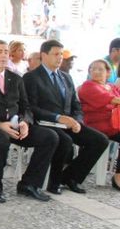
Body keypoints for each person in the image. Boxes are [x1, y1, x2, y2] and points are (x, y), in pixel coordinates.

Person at [0, 40, 58, 203]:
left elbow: (25, 107)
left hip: (14, 125)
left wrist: (24, 122)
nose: (4, 55)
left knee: (50, 137)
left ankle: (29, 184)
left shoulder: (15, 78)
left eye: (6, 52)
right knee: (1, 139)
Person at [23, 40, 108, 195]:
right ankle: (53, 183)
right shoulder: (31, 77)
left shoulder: (66, 77)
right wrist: (57, 117)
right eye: (56, 54)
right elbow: (31, 107)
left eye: (61, 54)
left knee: (100, 140)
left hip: (69, 123)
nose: (60, 58)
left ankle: (70, 177)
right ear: (44, 55)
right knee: (65, 141)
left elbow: (76, 104)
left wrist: (78, 121)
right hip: (46, 123)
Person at [78, 59, 120, 190]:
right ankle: (118, 176)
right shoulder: (88, 86)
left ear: (108, 73)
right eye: (93, 69)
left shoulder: (112, 87)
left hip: (114, 124)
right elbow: (110, 100)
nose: (96, 72)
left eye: (100, 69)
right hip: (97, 125)